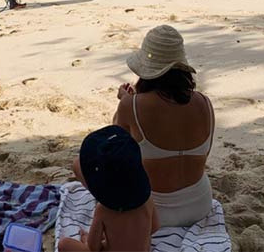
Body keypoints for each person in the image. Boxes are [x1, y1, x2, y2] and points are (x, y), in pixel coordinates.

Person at [75, 25, 215, 228]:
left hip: (152, 212)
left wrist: (125, 102)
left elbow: (114, 151)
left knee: (78, 165)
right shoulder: (205, 103)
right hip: (200, 205)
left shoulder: (131, 105)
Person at [59, 125, 160, 252]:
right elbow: (155, 227)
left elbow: (93, 247)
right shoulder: (147, 200)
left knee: (64, 244)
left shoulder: (103, 210)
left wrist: (86, 239)